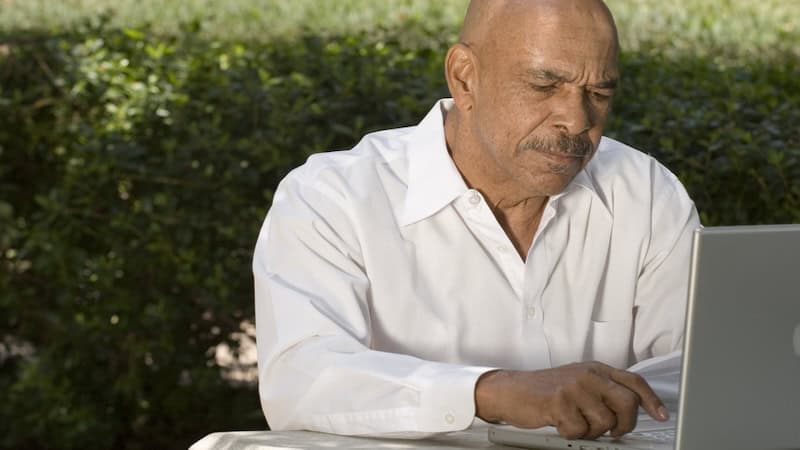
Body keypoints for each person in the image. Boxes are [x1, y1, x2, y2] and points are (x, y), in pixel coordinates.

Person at [253, 0, 699, 441]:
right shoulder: (334, 198)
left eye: (599, 94)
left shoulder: (647, 194)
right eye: (545, 86)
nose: (577, 119)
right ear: (465, 77)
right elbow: (301, 379)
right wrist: (495, 392)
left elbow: (700, 369)